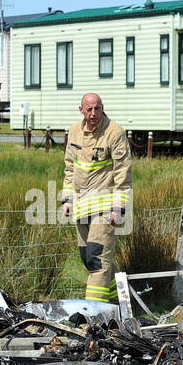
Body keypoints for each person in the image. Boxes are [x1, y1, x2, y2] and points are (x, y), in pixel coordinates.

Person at [60, 93, 132, 303]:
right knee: (88, 258)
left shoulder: (114, 132)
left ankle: (94, 311)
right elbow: (70, 168)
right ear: (81, 110)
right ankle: (121, 301)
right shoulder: (74, 131)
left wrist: (118, 208)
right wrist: (67, 200)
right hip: (81, 206)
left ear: (102, 108)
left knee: (97, 258)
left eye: (97, 108)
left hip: (105, 206)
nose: (93, 114)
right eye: (89, 109)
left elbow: (123, 173)